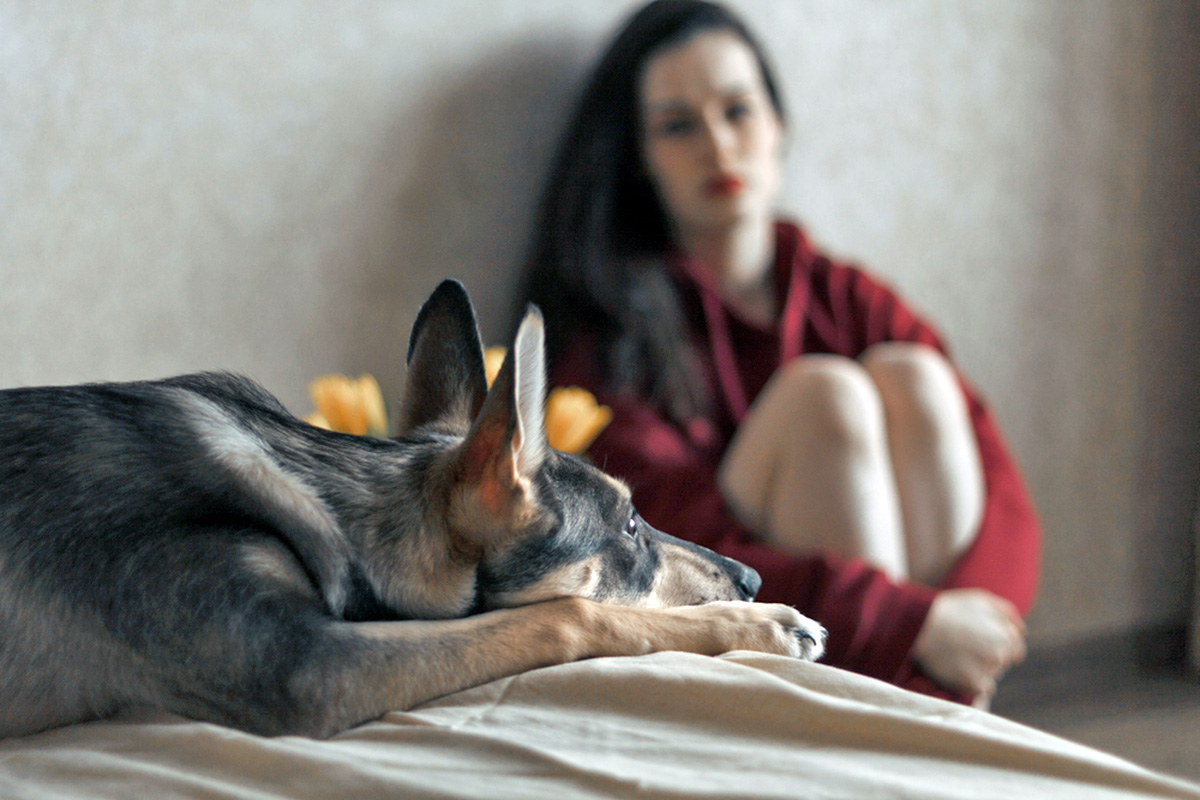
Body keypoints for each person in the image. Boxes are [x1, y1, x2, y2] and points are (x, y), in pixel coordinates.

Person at [511, 0, 1040, 705]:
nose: (719, 146)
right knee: (824, 396)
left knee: (910, 374)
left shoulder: (846, 296)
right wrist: (908, 623)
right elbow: (667, 551)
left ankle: (924, 716)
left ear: (778, 124)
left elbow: (999, 486)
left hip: (916, 655)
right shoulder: (612, 339)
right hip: (747, 654)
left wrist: (969, 623)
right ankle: (902, 719)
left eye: (738, 111)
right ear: (640, 160)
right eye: (677, 126)